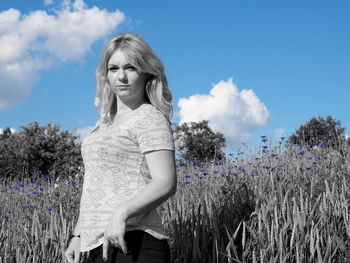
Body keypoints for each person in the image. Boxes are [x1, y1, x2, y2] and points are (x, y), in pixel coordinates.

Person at [64, 33, 177, 263]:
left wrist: (121, 212)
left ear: (146, 72)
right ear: (105, 75)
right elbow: (95, 184)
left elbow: (165, 181)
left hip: (136, 244)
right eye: (114, 69)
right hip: (97, 245)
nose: (122, 77)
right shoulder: (103, 123)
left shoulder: (149, 117)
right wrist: (77, 234)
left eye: (130, 68)